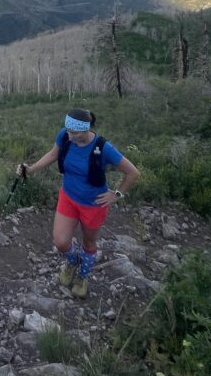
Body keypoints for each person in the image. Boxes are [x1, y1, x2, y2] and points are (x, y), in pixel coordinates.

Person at [17, 108, 140, 298]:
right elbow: (52, 155)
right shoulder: (65, 136)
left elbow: (133, 172)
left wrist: (117, 194)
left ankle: (83, 276)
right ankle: (73, 261)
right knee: (60, 242)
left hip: (93, 204)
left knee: (89, 243)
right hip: (68, 196)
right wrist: (30, 170)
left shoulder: (103, 148)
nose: (70, 135)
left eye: (75, 132)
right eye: (68, 131)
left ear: (87, 130)